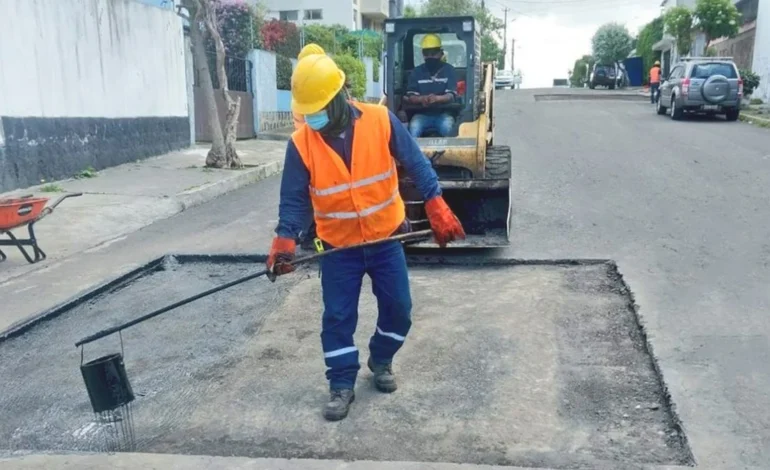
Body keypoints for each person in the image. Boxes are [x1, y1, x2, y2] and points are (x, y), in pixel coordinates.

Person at [267, 54, 466, 422]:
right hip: (338, 248)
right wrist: (284, 239)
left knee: (399, 309)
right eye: (308, 111)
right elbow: (294, 199)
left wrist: (436, 202)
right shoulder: (301, 144)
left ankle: (381, 358)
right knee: (338, 317)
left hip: (385, 239)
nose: (313, 118)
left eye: (320, 109)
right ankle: (341, 383)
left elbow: (416, 162)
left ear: (340, 96)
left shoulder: (379, 120)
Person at [404, 34, 458, 137]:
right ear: (423, 54)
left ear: (441, 53)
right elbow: (411, 96)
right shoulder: (416, 72)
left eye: (433, 53)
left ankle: (449, 152)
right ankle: (413, 152)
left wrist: (437, 98)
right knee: (414, 127)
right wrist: (422, 99)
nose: (430, 57)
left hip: (443, 115)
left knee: (448, 127)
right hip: (422, 115)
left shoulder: (449, 70)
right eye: (427, 53)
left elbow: (451, 95)